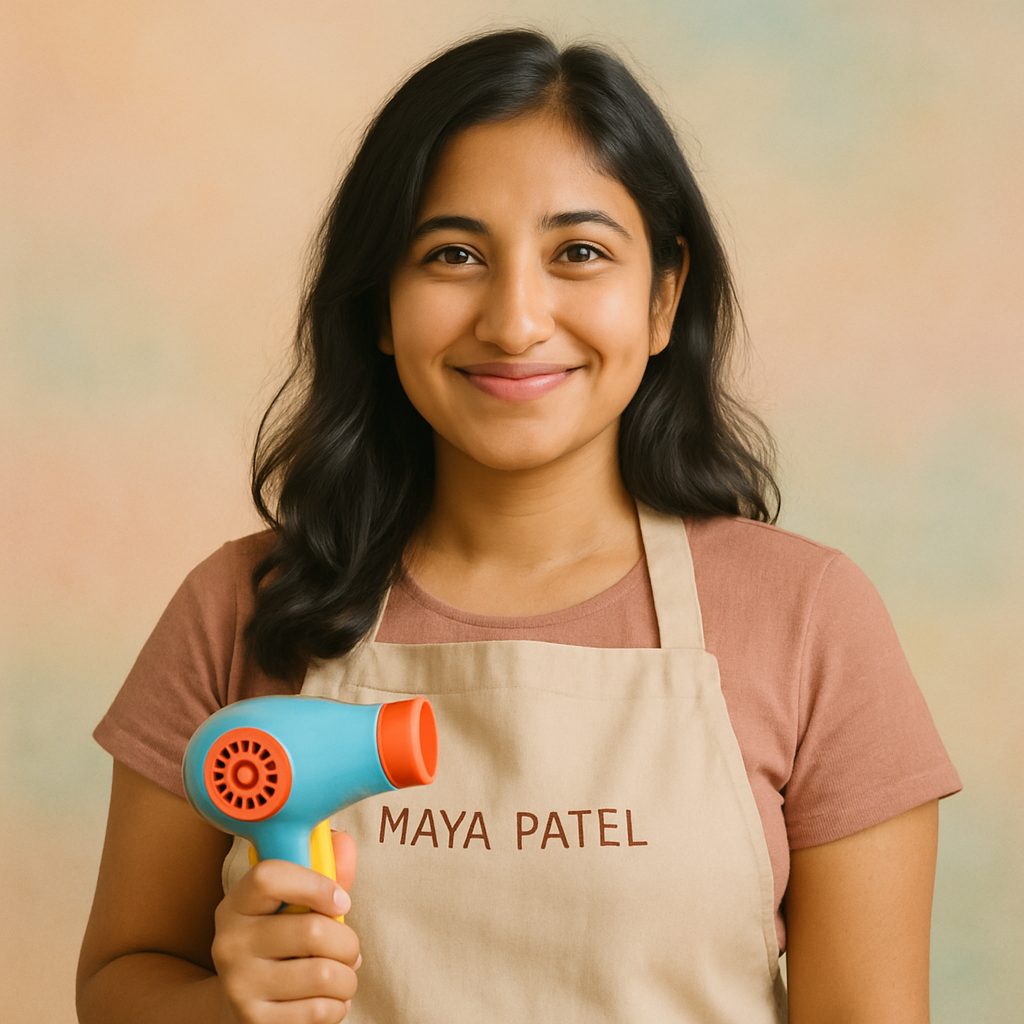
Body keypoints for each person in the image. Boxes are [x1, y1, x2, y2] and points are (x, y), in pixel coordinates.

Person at [76, 29, 960, 1024]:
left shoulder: (809, 619)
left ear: (664, 295)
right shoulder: (239, 608)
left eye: (578, 252)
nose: (515, 319)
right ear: (378, 304)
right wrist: (227, 1007)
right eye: (451, 254)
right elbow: (119, 979)